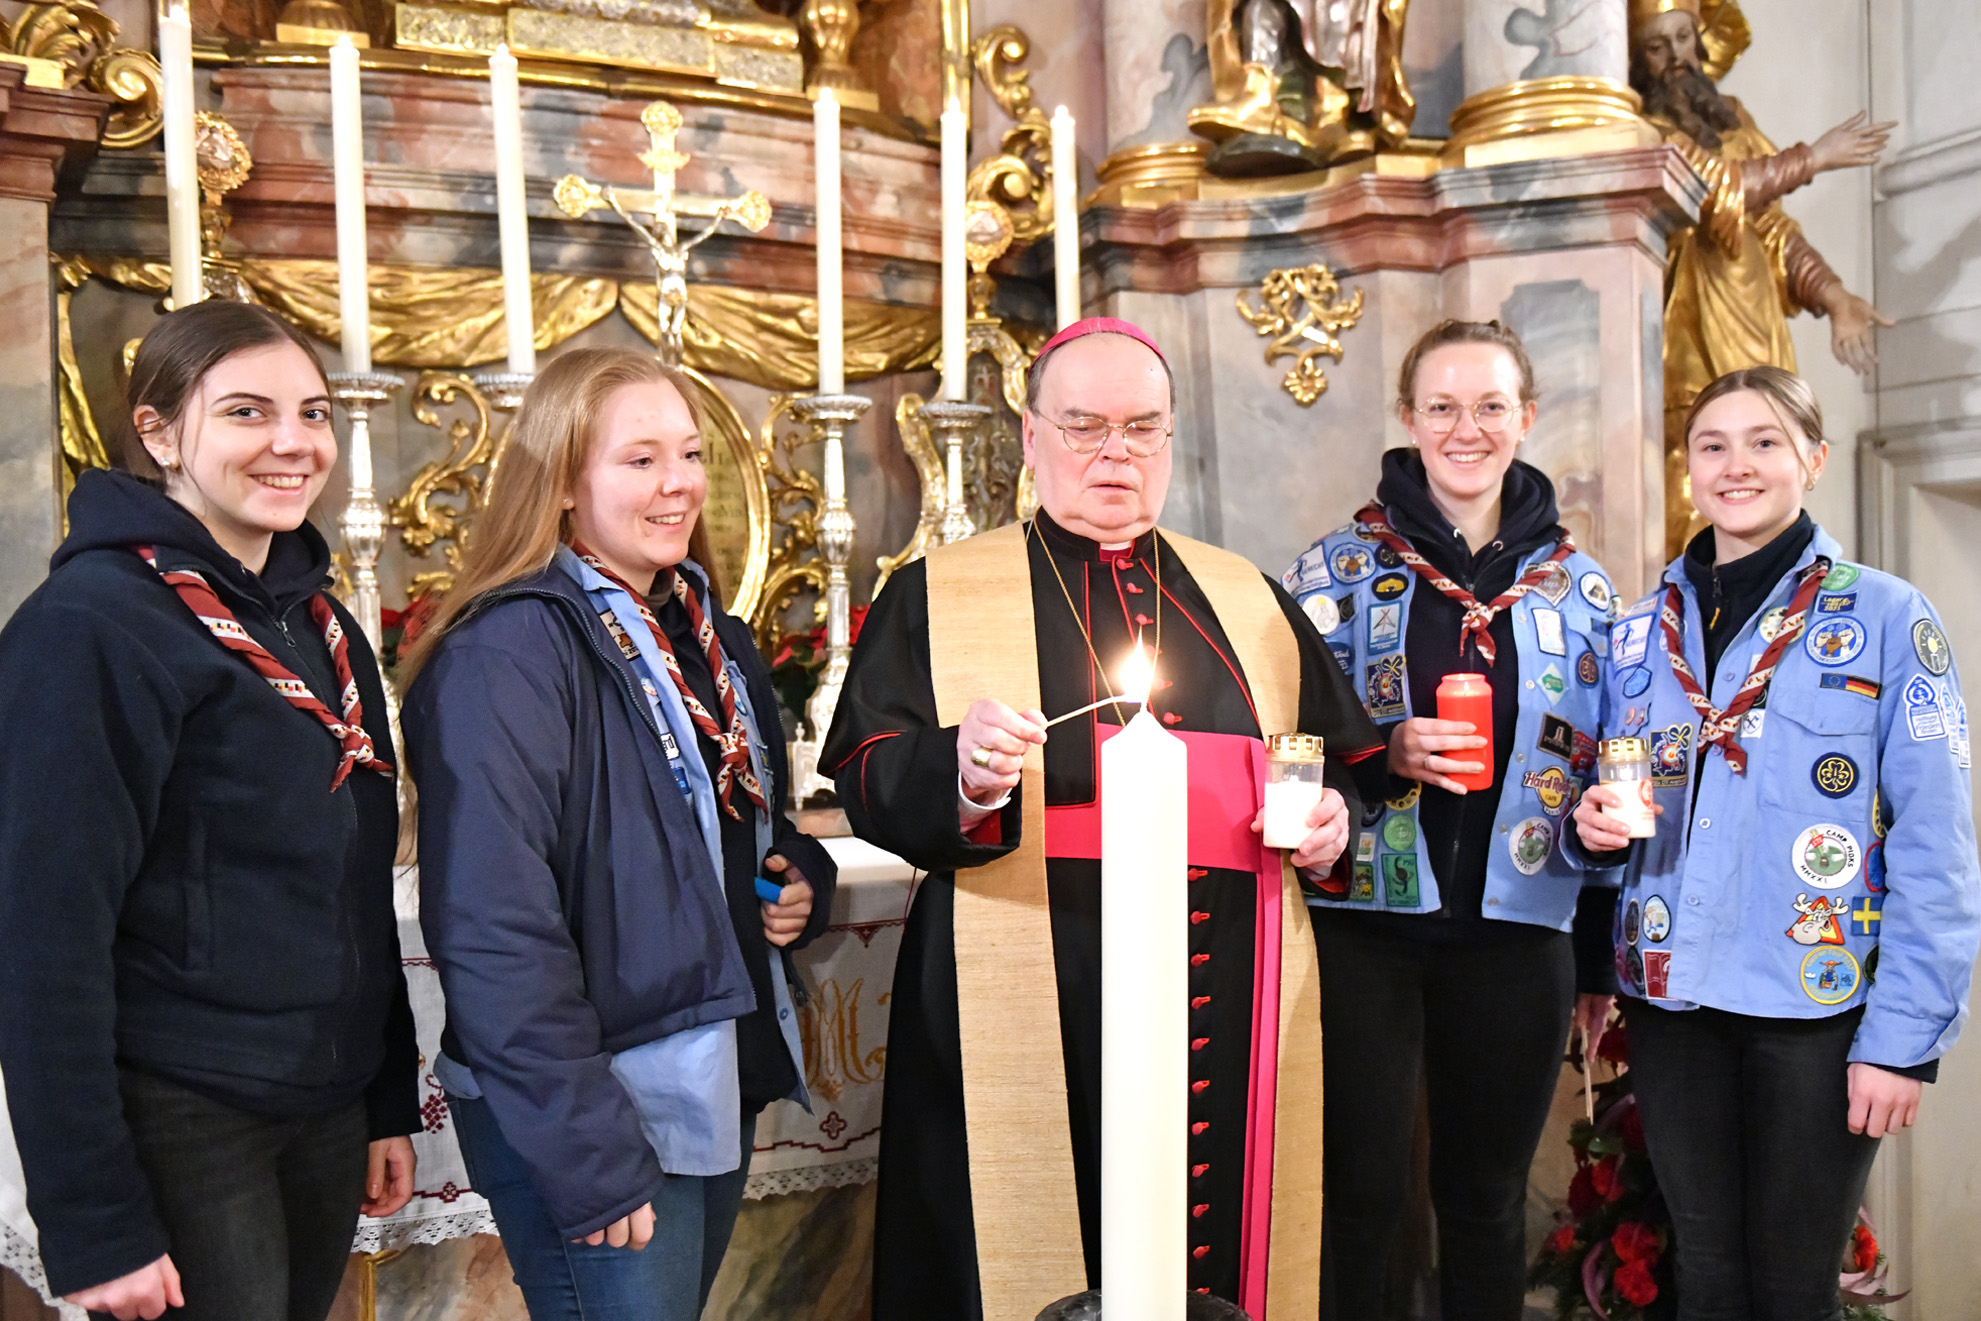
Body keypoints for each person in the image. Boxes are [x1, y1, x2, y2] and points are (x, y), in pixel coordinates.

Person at [821, 317, 1390, 1321]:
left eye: (1140, 428)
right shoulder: (937, 593)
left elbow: (1338, 766)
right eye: (1083, 426)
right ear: (1030, 437)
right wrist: (960, 773)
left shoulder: (1246, 596)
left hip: (1230, 991)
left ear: (1170, 440)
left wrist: (1332, 823)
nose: (1114, 452)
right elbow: (868, 770)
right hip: (1035, 974)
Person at [0, 301, 419, 1321]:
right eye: (245, 412)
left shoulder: (321, 622)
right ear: (158, 433)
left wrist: (381, 1098)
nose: (292, 443)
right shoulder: (93, 624)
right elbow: (44, 935)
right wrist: (95, 1219)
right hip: (183, 1109)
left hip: (320, 1106)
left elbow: (356, 884)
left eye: (313, 412)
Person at [399, 347, 835, 1321]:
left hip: (708, 1059)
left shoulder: (704, 633)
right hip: (598, 1097)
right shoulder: (509, 648)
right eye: (639, 459)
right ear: (559, 481)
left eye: (686, 454)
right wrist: (589, 1153)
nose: (678, 481)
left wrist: (796, 877)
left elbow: (749, 821)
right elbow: (493, 922)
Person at [1571, 365, 1979, 1321]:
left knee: (1795, 1285)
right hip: (1673, 999)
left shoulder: (1885, 617)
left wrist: (1903, 1042)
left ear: (1812, 459)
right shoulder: (1637, 633)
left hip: (1818, 1006)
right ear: (1688, 470)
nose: (1735, 465)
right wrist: (1591, 829)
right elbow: (1599, 815)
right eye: (1711, 445)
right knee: (1705, 1272)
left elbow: (1936, 843)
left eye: (1763, 442)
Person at [1282, 318, 1621, 1321]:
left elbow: (1613, 776)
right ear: (1407, 417)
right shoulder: (1332, 570)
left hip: (1518, 933)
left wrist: (1597, 961)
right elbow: (1280, 739)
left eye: (1487, 405)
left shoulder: (1581, 587)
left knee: (1481, 1199)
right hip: (1360, 929)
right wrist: (1377, 754)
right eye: (1441, 406)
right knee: (1359, 1195)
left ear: (1525, 416)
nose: (1463, 428)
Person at [1627, 0, 1892, 553]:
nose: (1677, 55)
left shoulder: (1733, 118)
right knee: (1695, 485)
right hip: (1691, 326)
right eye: (1657, 45)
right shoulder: (1643, 129)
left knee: (1773, 473)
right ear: (1638, 58)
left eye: (1683, 36)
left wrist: (1834, 295)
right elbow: (1713, 191)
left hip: (1756, 319)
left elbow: (1769, 227)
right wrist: (1812, 158)